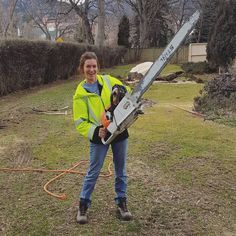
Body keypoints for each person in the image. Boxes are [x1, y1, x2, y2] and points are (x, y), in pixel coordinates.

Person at [73, 51, 132, 224]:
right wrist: (95, 130)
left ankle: (122, 202)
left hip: (119, 130)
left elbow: (127, 91)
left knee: (120, 170)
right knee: (93, 171)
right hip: (100, 136)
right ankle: (83, 205)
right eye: (88, 67)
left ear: (98, 67)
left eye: (94, 66)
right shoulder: (80, 94)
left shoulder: (108, 80)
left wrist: (122, 93)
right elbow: (80, 123)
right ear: (82, 69)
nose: (91, 70)